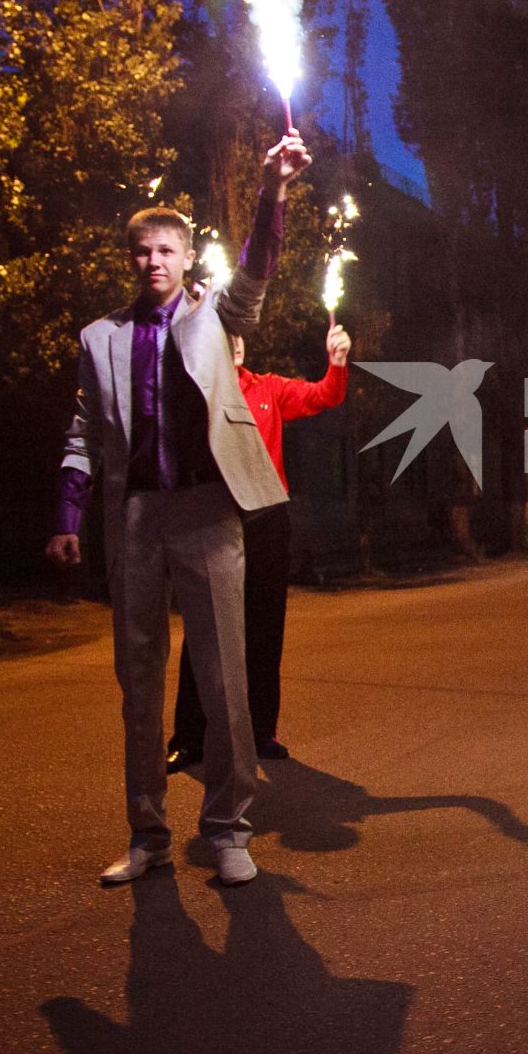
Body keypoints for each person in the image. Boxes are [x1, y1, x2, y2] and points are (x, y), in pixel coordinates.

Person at [46, 132, 310, 886]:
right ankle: (147, 834)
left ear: (188, 258)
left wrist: (273, 192)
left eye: (166, 250)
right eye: (142, 252)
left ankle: (229, 828)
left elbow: (258, 270)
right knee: (139, 682)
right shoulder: (100, 340)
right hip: (134, 522)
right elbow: (83, 433)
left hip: (207, 512)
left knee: (224, 679)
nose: (153, 262)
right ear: (129, 260)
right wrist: (67, 519)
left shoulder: (216, 318)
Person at [165, 321, 351, 775]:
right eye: (223, 335)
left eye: (239, 336)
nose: (234, 342)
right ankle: (189, 738)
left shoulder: (269, 388)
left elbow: (324, 396)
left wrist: (337, 363)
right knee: (205, 626)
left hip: (266, 518)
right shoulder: (197, 395)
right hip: (216, 517)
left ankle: (261, 731)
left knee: (264, 627)